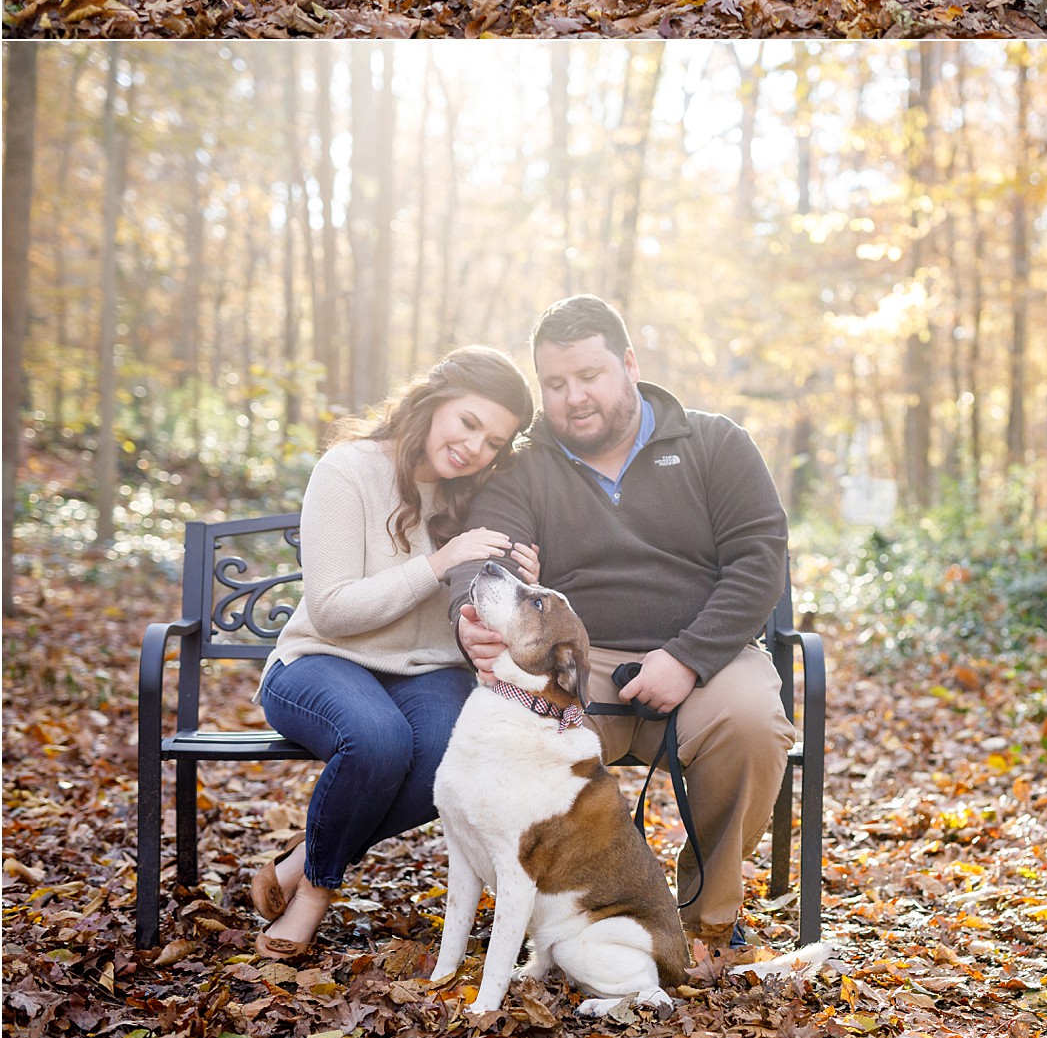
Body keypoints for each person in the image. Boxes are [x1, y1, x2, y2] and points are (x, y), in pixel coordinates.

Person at [449, 294, 792, 953]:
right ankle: (561, 913)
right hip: (575, 659)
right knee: (515, 731)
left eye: (589, 376)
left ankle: (704, 918)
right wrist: (472, 616)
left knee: (752, 723)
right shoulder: (524, 467)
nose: (574, 397)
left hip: (705, 657)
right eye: (555, 383)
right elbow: (483, 560)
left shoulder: (713, 444)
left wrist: (689, 657)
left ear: (629, 365)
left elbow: (759, 563)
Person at [250, 347, 537, 960]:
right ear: (433, 401)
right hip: (320, 660)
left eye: (492, 441)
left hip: (426, 670)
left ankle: (304, 857)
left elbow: (480, 608)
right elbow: (331, 609)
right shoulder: (348, 469)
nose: (473, 448)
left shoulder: (478, 496)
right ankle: (312, 898)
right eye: (468, 422)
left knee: (448, 753)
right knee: (378, 741)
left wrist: (520, 579)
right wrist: (436, 563)